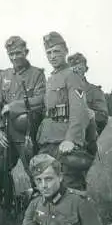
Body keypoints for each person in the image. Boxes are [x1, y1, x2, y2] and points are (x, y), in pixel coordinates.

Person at [0, 36, 46, 208]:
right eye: (11, 54)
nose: (14, 57)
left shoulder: (37, 74)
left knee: (34, 170)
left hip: (26, 132)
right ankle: (4, 206)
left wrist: (14, 106)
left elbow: (42, 99)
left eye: (18, 53)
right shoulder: (3, 75)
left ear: (26, 52)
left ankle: (42, 206)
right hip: (5, 133)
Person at [36, 31, 93, 191]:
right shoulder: (52, 77)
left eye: (56, 51)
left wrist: (71, 140)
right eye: (49, 52)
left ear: (66, 51)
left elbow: (79, 111)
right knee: (49, 187)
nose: (52, 56)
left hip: (64, 141)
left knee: (69, 185)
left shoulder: (72, 75)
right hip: (48, 140)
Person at [4, 154, 102, 225]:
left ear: (60, 177)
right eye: (38, 180)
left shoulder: (80, 201)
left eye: (48, 179)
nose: (43, 185)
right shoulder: (35, 204)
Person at [68, 52, 109, 136]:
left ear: (86, 69)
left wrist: (91, 114)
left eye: (79, 68)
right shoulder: (60, 92)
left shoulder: (95, 91)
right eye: (73, 69)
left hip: (85, 140)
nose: (76, 71)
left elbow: (103, 117)